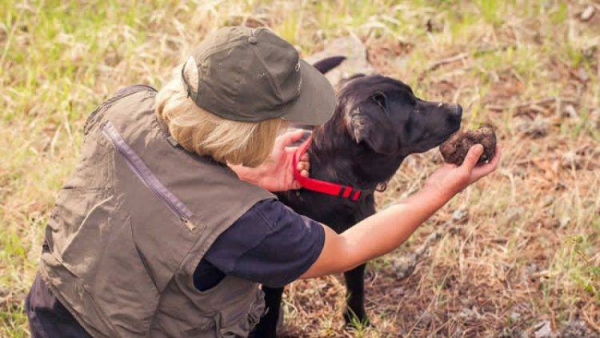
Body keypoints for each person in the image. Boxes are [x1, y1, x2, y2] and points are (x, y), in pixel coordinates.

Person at [26, 26, 500, 337]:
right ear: (253, 131)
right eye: (286, 123)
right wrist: (441, 187)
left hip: (52, 310)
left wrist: (242, 169)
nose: (299, 133)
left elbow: (166, 179)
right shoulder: (248, 224)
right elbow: (350, 248)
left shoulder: (124, 105)